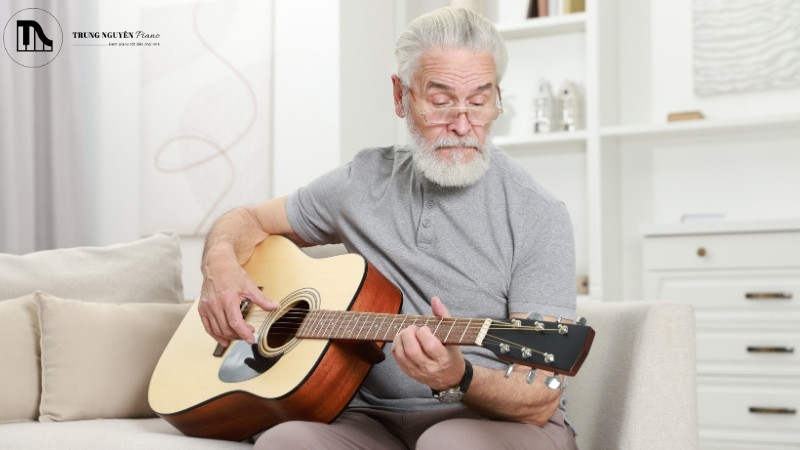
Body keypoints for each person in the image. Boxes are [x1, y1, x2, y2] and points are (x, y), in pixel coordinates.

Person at [198, 6, 577, 450]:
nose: (462, 125)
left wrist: (461, 376)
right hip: (368, 420)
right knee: (285, 441)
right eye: (440, 102)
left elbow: (538, 398)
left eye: (479, 101)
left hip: (493, 424)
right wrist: (219, 265)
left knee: (449, 442)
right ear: (400, 96)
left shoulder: (539, 213)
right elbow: (248, 220)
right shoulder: (361, 181)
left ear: (498, 98)